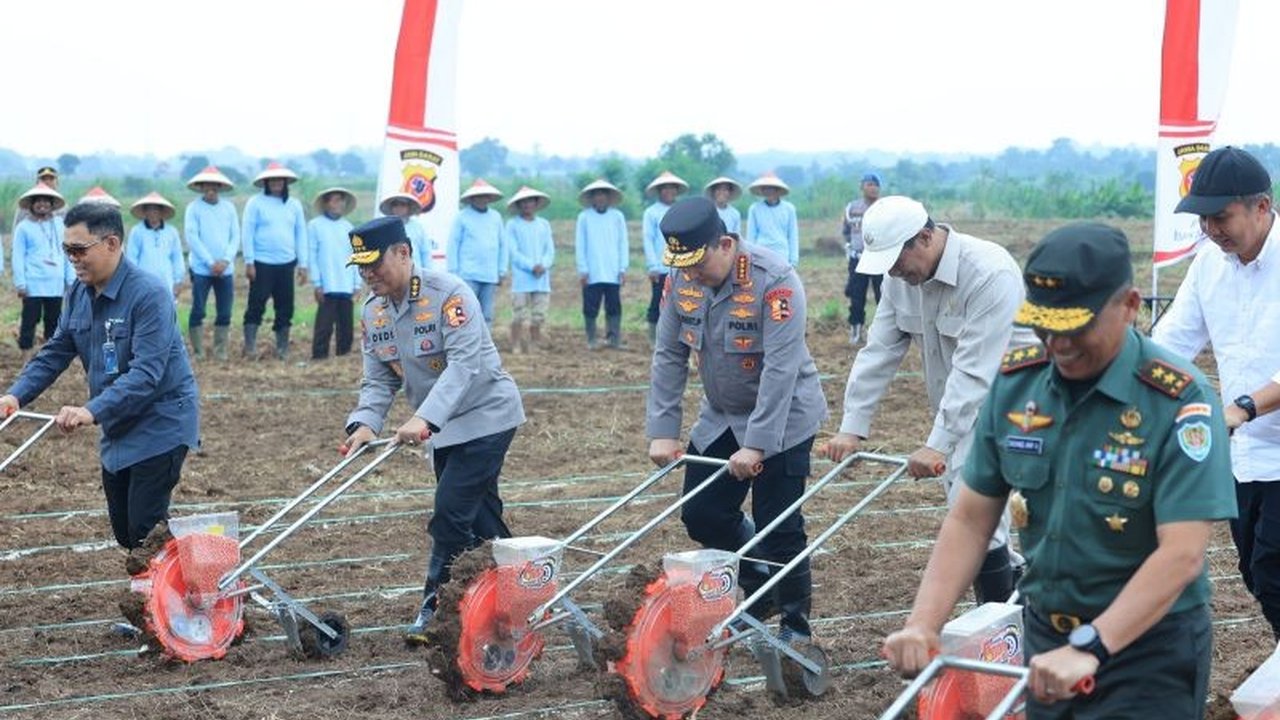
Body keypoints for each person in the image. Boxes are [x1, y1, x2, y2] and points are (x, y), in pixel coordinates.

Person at [882, 222, 1235, 717]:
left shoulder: (1177, 401)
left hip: (1146, 653)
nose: (1058, 344)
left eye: (1075, 327)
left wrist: (1090, 647)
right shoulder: (1017, 386)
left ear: (1130, 306)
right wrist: (923, 622)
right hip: (1047, 644)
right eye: (1045, 325)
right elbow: (970, 518)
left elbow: (1182, 554)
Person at [821, 195, 1034, 603]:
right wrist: (852, 427)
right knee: (982, 523)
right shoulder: (900, 280)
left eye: (897, 260)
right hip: (959, 411)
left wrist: (936, 443)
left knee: (973, 518)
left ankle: (994, 627)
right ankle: (1018, 601)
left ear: (923, 237)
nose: (894, 272)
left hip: (1012, 407)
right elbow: (879, 350)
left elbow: (974, 374)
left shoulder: (988, 273)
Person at [647, 197, 827, 645]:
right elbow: (669, 355)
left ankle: (795, 629)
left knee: (778, 525)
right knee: (702, 514)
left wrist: (759, 444)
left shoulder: (774, 281)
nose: (690, 275)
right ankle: (758, 582)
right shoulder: (680, 281)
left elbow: (781, 368)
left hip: (783, 421)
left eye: (697, 263)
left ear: (725, 244)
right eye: (681, 266)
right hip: (722, 416)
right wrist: (664, 431)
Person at [341, 215, 525, 645]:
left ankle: (438, 607)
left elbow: (464, 365)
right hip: (440, 429)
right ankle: (523, 588)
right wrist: (365, 423)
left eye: (375, 264)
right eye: (361, 267)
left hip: (485, 417)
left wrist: (424, 418)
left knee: (450, 512)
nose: (369, 275)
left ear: (403, 253)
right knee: (481, 521)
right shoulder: (374, 312)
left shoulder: (449, 295)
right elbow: (380, 378)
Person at [1, 202, 199, 556]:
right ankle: (188, 577)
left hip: (161, 422)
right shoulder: (78, 292)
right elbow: (56, 351)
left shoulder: (149, 294)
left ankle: (180, 601)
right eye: (67, 250)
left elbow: (146, 374)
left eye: (79, 250)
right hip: (119, 424)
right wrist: (15, 396)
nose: (72, 259)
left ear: (112, 244)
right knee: (126, 532)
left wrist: (90, 410)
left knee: (144, 530)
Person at [1152, 145, 1280, 639]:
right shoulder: (1209, 266)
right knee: (1255, 573)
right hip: (1243, 455)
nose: (1210, 228)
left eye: (1220, 216)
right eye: (1202, 218)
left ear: (1262, 206)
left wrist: (1244, 407)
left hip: (1254, 432)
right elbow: (1172, 342)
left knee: (1273, 569)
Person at [242, 161, 308, 360]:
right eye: (272, 180)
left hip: (286, 263)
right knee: (256, 304)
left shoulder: (294, 205)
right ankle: (250, 346)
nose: (276, 183)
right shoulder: (255, 203)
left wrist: (303, 264)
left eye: (280, 180)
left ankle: (282, 348)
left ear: (285, 182)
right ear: (266, 182)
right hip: (262, 262)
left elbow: (300, 234)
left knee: (285, 306)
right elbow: (247, 232)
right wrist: (249, 261)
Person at [12, 184, 74, 363]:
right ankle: (26, 360)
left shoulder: (60, 225)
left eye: (46, 201)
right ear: (31, 204)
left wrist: (70, 279)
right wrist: (20, 283)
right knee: (29, 322)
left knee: (53, 323)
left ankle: (49, 360)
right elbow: (17, 256)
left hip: (55, 284)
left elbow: (67, 252)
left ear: (52, 204)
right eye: (38, 201)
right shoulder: (23, 227)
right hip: (33, 283)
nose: (42, 205)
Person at [184, 165, 240, 361]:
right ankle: (198, 351)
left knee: (224, 310)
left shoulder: (229, 208)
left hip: (225, 268)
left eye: (214, 186)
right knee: (199, 308)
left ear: (219, 187)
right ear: (201, 187)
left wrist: (225, 260)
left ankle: (220, 350)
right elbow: (192, 237)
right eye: (206, 186)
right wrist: (209, 262)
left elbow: (235, 236)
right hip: (201, 268)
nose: (210, 189)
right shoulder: (194, 208)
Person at [574, 178, 629, 350]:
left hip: (613, 270)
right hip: (592, 271)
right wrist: (583, 269)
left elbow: (623, 243)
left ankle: (614, 339)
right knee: (590, 307)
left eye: (603, 194)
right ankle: (591, 339)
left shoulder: (617, 216)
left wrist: (622, 268)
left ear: (608, 197)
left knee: (613, 306)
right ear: (592, 198)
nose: (600, 198)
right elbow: (580, 244)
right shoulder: (584, 217)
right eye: (596, 195)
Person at [308, 187, 360, 360]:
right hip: (327, 283)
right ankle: (319, 357)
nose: (336, 204)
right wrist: (317, 283)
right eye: (332, 200)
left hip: (346, 283)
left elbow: (355, 257)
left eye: (340, 200)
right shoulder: (315, 225)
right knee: (324, 325)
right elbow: (312, 256)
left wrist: (356, 284)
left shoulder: (349, 227)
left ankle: (343, 356)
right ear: (325, 203)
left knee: (346, 326)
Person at [448, 179, 507, 326]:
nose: (482, 199)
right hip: (468, 273)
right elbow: (453, 244)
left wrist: (502, 270)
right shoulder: (462, 217)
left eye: (484, 196)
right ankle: (467, 344)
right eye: (478, 196)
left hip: (489, 273)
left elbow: (502, 244)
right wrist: (454, 271)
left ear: (489, 198)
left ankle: (485, 346)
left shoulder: (496, 217)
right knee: (467, 311)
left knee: (487, 314)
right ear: (472, 198)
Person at [504, 185, 554, 354]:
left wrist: (544, 265)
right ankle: (516, 343)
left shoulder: (544, 225)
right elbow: (513, 251)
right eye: (523, 202)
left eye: (530, 201)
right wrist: (531, 266)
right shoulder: (512, 225)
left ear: (536, 203)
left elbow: (550, 250)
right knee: (519, 314)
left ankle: (534, 344)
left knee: (539, 315)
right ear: (519, 205)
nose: (527, 205)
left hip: (542, 277)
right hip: (522, 276)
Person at [642, 171, 688, 343]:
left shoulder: (682, 210)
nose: (669, 191)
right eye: (665, 188)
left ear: (676, 190)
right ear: (659, 191)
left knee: (683, 302)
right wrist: (652, 265)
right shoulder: (651, 212)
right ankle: (653, 339)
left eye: (672, 188)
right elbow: (648, 238)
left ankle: (679, 338)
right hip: (660, 266)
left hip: (682, 265)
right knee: (657, 300)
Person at [842, 172, 884, 345]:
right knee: (856, 296)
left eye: (876, 185)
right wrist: (853, 245)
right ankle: (856, 331)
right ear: (862, 187)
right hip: (858, 259)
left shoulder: (885, 207)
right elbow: (846, 231)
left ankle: (883, 334)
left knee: (883, 297)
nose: (873, 188)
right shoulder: (852, 208)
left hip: (880, 259)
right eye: (869, 184)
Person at [125, 192, 185, 300]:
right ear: (145, 212)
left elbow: (177, 257)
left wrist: (178, 280)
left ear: (162, 212)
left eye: (156, 209)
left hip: (166, 280)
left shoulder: (171, 232)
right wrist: (133, 281)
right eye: (149, 209)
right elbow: (131, 258)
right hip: (143, 282)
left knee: (167, 312)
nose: (152, 213)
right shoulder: (137, 231)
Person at [746, 172, 799, 266]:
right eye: (765, 189)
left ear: (778, 190)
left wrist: (793, 259)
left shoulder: (789, 209)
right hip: (761, 252)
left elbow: (792, 235)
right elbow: (751, 235)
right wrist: (750, 256)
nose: (769, 191)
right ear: (762, 191)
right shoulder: (755, 208)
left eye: (771, 189)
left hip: (782, 253)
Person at [380, 193, 433, 269]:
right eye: (395, 204)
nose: (399, 207)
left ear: (408, 207)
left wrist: (427, 273)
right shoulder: (384, 228)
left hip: (415, 272)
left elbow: (425, 253)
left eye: (403, 204)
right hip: (392, 274)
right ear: (391, 208)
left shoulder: (418, 227)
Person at [11, 166, 63, 231]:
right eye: (44, 179)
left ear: (57, 183)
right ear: (37, 183)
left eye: (51, 179)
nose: (47, 182)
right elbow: (17, 228)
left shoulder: (63, 207)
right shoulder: (27, 204)